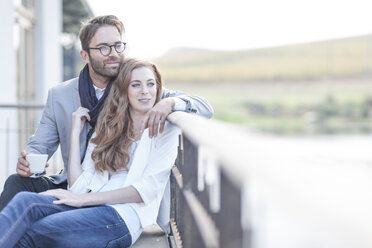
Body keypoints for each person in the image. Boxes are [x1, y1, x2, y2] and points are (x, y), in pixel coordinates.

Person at [0, 15, 213, 211]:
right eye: (103, 47)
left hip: (114, 188)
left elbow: (204, 107)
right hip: (73, 182)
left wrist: (170, 103)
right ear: (85, 55)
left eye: (117, 45)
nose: (113, 53)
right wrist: (28, 163)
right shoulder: (60, 95)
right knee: (16, 183)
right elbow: (39, 146)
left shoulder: (135, 86)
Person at [0, 58, 182, 247]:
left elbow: (145, 191)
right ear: (124, 90)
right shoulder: (110, 126)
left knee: (37, 230)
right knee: (24, 201)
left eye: (150, 84)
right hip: (88, 204)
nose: (145, 91)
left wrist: (82, 200)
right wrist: (74, 133)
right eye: (136, 85)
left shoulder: (166, 129)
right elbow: (78, 186)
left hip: (121, 216)